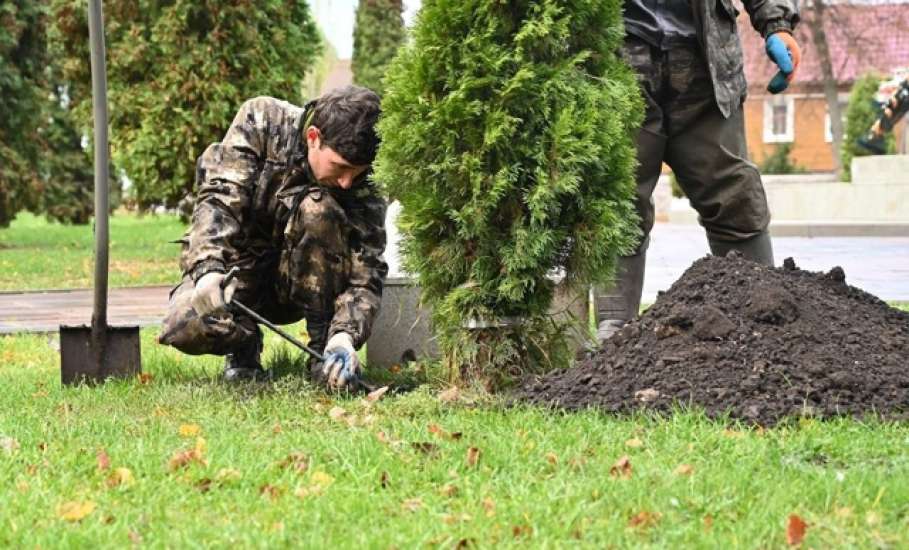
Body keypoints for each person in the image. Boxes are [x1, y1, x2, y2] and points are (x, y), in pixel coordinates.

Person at [596, 0, 801, 341]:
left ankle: (764, 319)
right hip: (619, 56)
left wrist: (776, 22)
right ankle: (616, 331)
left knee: (732, 192)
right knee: (620, 198)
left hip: (704, 61)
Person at [158, 86, 388, 389]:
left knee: (317, 209)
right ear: (313, 138)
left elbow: (366, 273)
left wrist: (344, 336)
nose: (347, 183)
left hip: (305, 290)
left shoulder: (363, 184)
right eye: (340, 167)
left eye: (357, 173)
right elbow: (219, 200)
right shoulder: (262, 120)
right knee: (183, 325)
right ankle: (243, 345)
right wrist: (207, 269)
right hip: (236, 280)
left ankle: (323, 356)